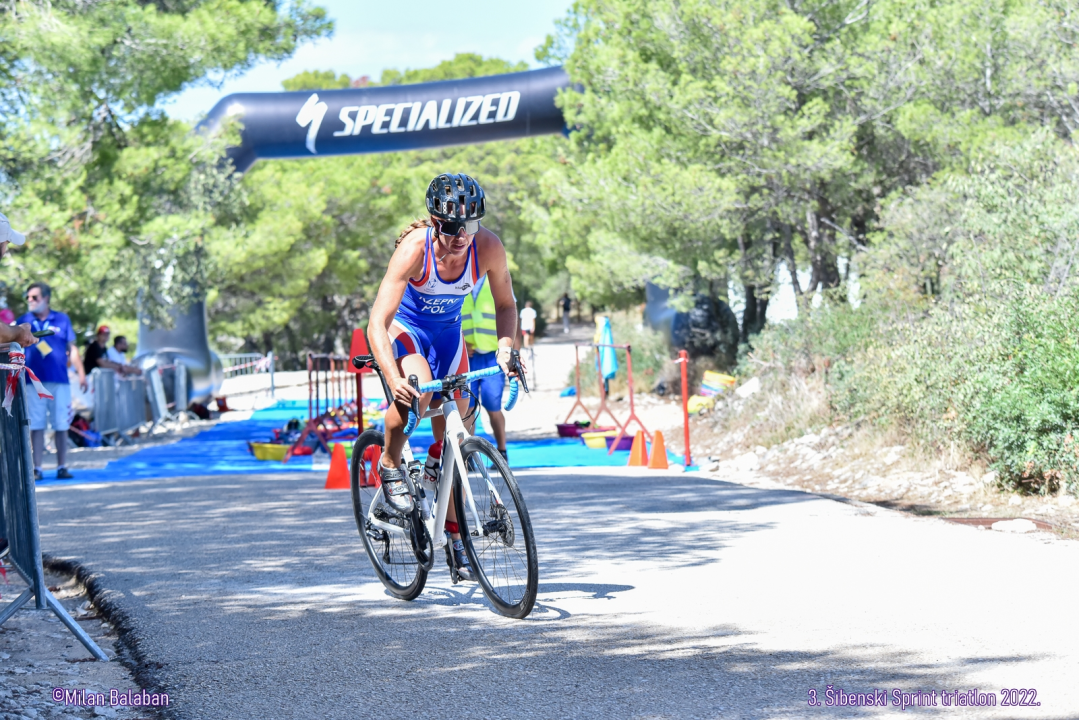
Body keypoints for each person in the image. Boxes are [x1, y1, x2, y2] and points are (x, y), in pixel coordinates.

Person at [368, 172, 519, 582]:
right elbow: (377, 323)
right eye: (452, 227)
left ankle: (454, 537)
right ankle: (388, 461)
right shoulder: (414, 250)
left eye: (470, 225)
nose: (461, 235)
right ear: (435, 222)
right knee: (416, 396)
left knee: (458, 432)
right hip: (408, 332)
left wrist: (507, 350)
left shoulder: (487, 246)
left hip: (449, 336)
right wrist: (391, 374)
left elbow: (506, 304)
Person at [17, 282, 86, 481]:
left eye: (35, 297)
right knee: (36, 425)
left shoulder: (62, 319)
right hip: (32, 382)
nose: (30, 300)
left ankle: (62, 466)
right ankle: (36, 468)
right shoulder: (23, 321)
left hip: (59, 380)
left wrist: (81, 373)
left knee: (61, 424)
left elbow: (72, 348)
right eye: (28, 297)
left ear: (46, 298)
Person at [461, 275, 508, 461]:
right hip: (466, 357)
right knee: (467, 408)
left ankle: (502, 451)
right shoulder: (456, 277)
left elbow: (510, 313)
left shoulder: (496, 277)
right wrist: (461, 344)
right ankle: (468, 454)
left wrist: (512, 353)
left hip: (492, 356)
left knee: (492, 405)